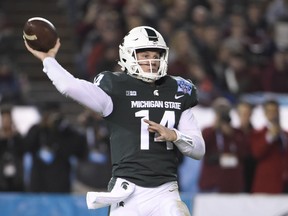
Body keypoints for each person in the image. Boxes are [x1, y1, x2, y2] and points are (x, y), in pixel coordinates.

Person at [24, 26, 205, 215]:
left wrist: (175, 135)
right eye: (145, 55)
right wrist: (48, 59)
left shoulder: (178, 90)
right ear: (129, 56)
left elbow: (199, 149)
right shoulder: (115, 88)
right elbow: (70, 86)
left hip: (165, 192)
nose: (152, 60)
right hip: (128, 192)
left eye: (156, 55)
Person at [24, 102, 87, 193]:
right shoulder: (37, 130)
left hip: (60, 185)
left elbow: (79, 151)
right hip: (39, 184)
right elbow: (26, 147)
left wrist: (62, 129)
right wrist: (42, 127)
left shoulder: (66, 132)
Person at [198, 97, 249, 193]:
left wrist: (231, 135)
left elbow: (244, 153)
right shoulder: (208, 131)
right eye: (219, 111)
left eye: (225, 110)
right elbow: (201, 148)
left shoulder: (237, 133)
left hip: (233, 183)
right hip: (212, 182)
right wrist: (214, 127)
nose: (222, 113)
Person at [251, 99, 288, 193]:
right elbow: (257, 153)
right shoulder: (258, 134)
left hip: (284, 184)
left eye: (275, 111)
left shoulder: (285, 134)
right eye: (270, 111)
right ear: (265, 113)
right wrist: (270, 137)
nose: (273, 114)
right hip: (267, 184)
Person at [0, 104, 25, 192]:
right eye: (4, 119)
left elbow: (23, 149)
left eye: (8, 119)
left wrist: (14, 136)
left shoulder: (17, 137)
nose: (6, 121)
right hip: (2, 179)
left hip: (16, 179)